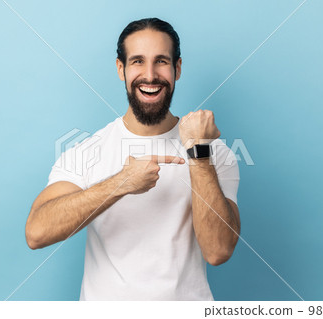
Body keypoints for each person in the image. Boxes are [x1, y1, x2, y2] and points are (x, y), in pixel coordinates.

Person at [25, 17, 241, 301]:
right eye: (137, 61)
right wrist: (120, 183)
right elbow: (37, 233)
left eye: (161, 61)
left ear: (177, 69)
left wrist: (198, 151)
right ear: (121, 69)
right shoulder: (86, 152)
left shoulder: (215, 154)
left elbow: (218, 251)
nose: (150, 75)